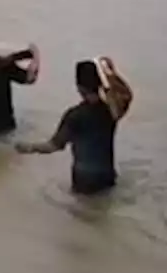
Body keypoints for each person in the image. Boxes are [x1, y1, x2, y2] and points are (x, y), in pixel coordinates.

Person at [15, 58, 133, 195]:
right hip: (107, 176)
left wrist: (29, 147)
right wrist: (111, 74)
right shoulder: (112, 110)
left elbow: (54, 146)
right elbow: (126, 95)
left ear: (79, 87)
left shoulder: (75, 115)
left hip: (84, 180)